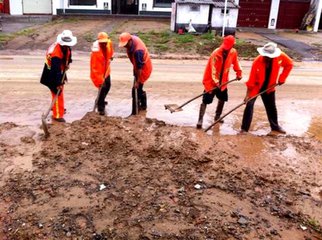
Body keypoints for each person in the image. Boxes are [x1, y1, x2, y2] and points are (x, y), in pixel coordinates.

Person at [240, 42, 293, 134]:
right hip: (256, 87)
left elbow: (289, 64)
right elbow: (251, 80)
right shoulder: (257, 61)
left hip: (270, 87)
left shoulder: (280, 56)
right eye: (266, 56)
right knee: (249, 105)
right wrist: (247, 95)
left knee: (271, 107)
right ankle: (244, 129)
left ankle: (275, 127)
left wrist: (282, 78)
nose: (267, 58)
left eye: (269, 57)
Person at [197, 35, 242, 129]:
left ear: (232, 46)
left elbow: (236, 63)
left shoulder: (233, 52)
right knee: (206, 100)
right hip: (211, 82)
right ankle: (200, 120)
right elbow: (213, 70)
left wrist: (238, 72)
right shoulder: (216, 53)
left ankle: (217, 116)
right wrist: (217, 83)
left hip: (223, 82)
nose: (225, 50)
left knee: (222, 99)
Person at [40, 30, 77, 122]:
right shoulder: (56, 53)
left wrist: (68, 63)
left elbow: (68, 54)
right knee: (57, 92)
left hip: (58, 71)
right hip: (51, 74)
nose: (67, 45)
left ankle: (57, 107)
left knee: (57, 93)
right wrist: (58, 83)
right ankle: (57, 115)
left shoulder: (65, 47)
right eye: (65, 44)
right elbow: (55, 71)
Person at [118, 32, 152, 115]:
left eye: (126, 44)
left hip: (144, 69)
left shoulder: (138, 51)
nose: (125, 46)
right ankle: (143, 105)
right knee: (138, 90)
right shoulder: (132, 39)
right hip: (138, 66)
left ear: (130, 41)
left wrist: (137, 81)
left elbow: (140, 67)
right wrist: (134, 69)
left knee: (135, 90)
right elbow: (136, 63)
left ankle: (135, 112)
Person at [90, 32, 114, 115]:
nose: (104, 44)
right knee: (102, 88)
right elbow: (95, 68)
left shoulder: (109, 42)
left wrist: (111, 56)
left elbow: (110, 50)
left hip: (106, 69)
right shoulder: (96, 52)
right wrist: (100, 81)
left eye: (105, 42)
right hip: (98, 72)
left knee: (108, 85)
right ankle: (101, 107)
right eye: (102, 43)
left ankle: (100, 99)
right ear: (99, 41)